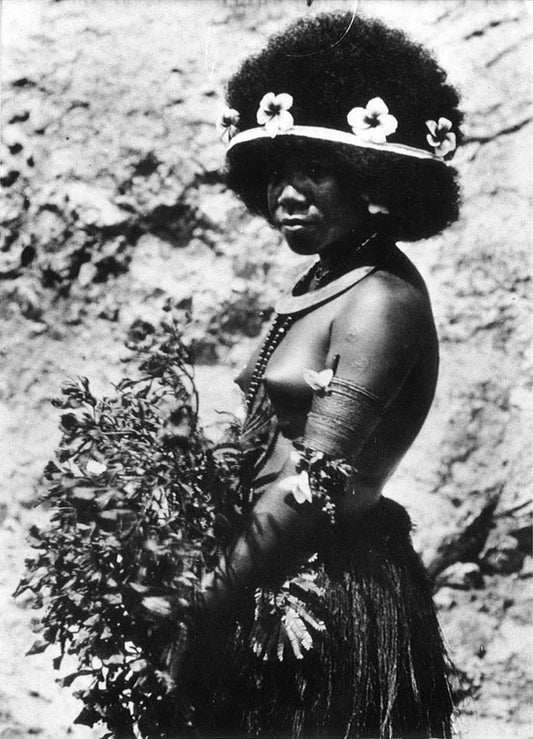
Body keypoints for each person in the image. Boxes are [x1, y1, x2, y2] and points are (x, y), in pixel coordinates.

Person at [186, 11, 463, 739]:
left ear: (373, 182)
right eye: (277, 172)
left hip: (325, 598)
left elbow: (316, 479)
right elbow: (261, 428)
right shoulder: (327, 277)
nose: (288, 194)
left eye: (316, 171)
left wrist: (208, 595)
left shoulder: (380, 300)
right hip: (261, 564)